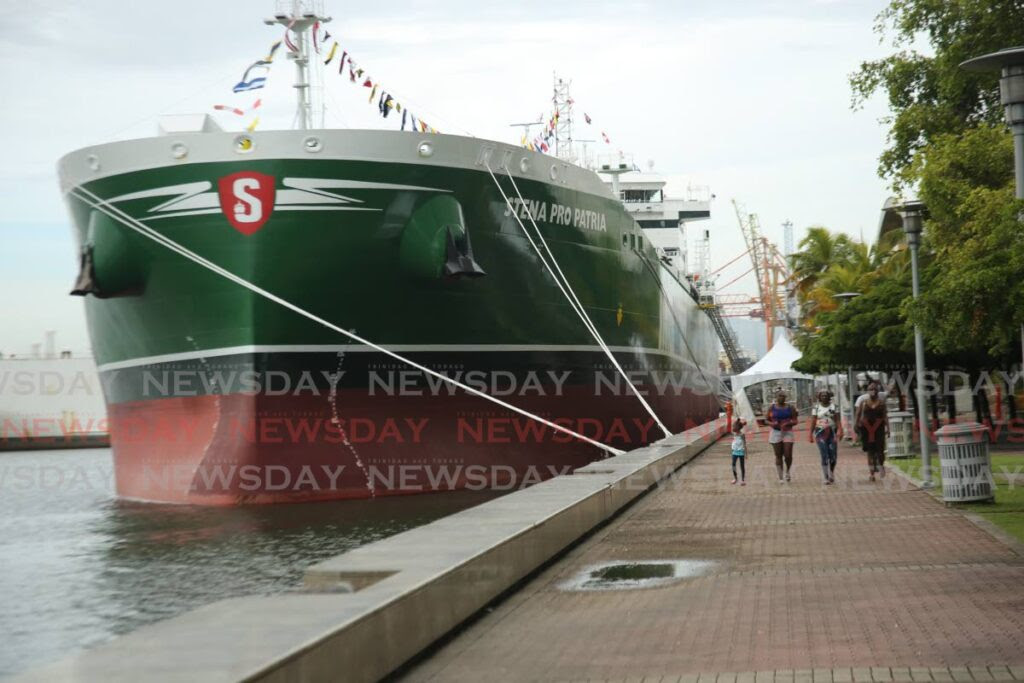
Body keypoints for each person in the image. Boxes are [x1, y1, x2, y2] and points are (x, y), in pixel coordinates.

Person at [858, 381, 889, 481]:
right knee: (870, 452)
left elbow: (885, 416)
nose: (873, 391)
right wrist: (856, 425)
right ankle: (872, 474)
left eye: (875, 389)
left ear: (878, 391)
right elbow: (858, 415)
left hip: (878, 428)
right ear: (868, 391)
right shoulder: (863, 402)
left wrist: (888, 428)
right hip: (867, 429)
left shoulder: (881, 403)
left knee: (880, 451)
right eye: (871, 389)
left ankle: (881, 465)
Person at [809, 390, 842, 485]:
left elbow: (837, 420)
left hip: (832, 432)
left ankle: (831, 472)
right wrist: (810, 434)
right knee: (824, 454)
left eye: (826, 395)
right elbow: (813, 420)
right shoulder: (816, 407)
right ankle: (826, 477)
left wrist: (840, 430)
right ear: (819, 397)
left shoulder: (834, 407)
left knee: (833, 456)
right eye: (822, 396)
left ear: (829, 397)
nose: (824, 397)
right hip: (820, 433)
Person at [767, 391, 798, 482]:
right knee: (778, 455)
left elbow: (795, 420)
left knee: (788, 454)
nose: (781, 398)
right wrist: (772, 423)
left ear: (785, 398)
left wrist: (788, 423)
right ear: (776, 397)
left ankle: (787, 472)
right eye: (779, 396)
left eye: (783, 396)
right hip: (776, 432)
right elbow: (765, 420)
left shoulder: (790, 407)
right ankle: (780, 476)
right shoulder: (772, 408)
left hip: (787, 432)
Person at [730, 418, 747, 486]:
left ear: (738, 428)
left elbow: (744, 443)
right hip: (734, 451)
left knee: (742, 466)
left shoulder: (742, 435)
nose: (734, 429)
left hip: (741, 452)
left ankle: (742, 480)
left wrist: (746, 453)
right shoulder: (734, 433)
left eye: (735, 428)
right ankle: (735, 478)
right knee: (733, 464)